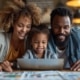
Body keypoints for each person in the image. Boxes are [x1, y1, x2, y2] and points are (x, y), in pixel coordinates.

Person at [0, 1, 41, 72]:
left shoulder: (30, 42)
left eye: (28, 26)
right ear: (13, 23)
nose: (24, 30)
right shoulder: (1, 39)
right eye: (20, 25)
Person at [48, 7, 80, 71]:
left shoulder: (78, 36)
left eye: (66, 27)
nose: (61, 31)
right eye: (57, 27)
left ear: (71, 27)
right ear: (51, 26)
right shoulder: (43, 38)